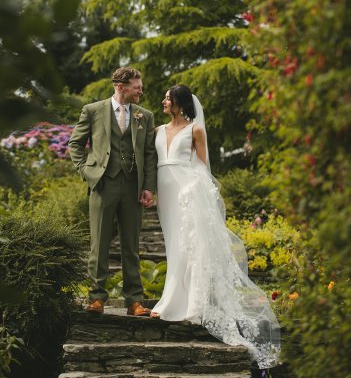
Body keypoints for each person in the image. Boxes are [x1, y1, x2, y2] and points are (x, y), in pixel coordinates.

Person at [151, 84, 280, 369]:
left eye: (168, 98)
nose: (163, 101)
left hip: (187, 192)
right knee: (173, 243)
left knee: (190, 245)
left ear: (180, 103)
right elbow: (153, 162)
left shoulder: (196, 129)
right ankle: (170, 299)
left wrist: (196, 191)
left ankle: (192, 305)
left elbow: (202, 165)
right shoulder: (158, 131)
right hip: (165, 190)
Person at [68, 67, 157, 316]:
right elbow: (75, 143)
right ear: (121, 86)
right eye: (136, 87)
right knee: (99, 243)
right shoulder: (93, 110)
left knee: (131, 245)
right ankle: (97, 298)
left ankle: (134, 301)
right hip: (102, 184)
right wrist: (86, 171)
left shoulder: (145, 116)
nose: (141, 90)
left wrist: (149, 187)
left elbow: (150, 154)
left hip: (132, 186)